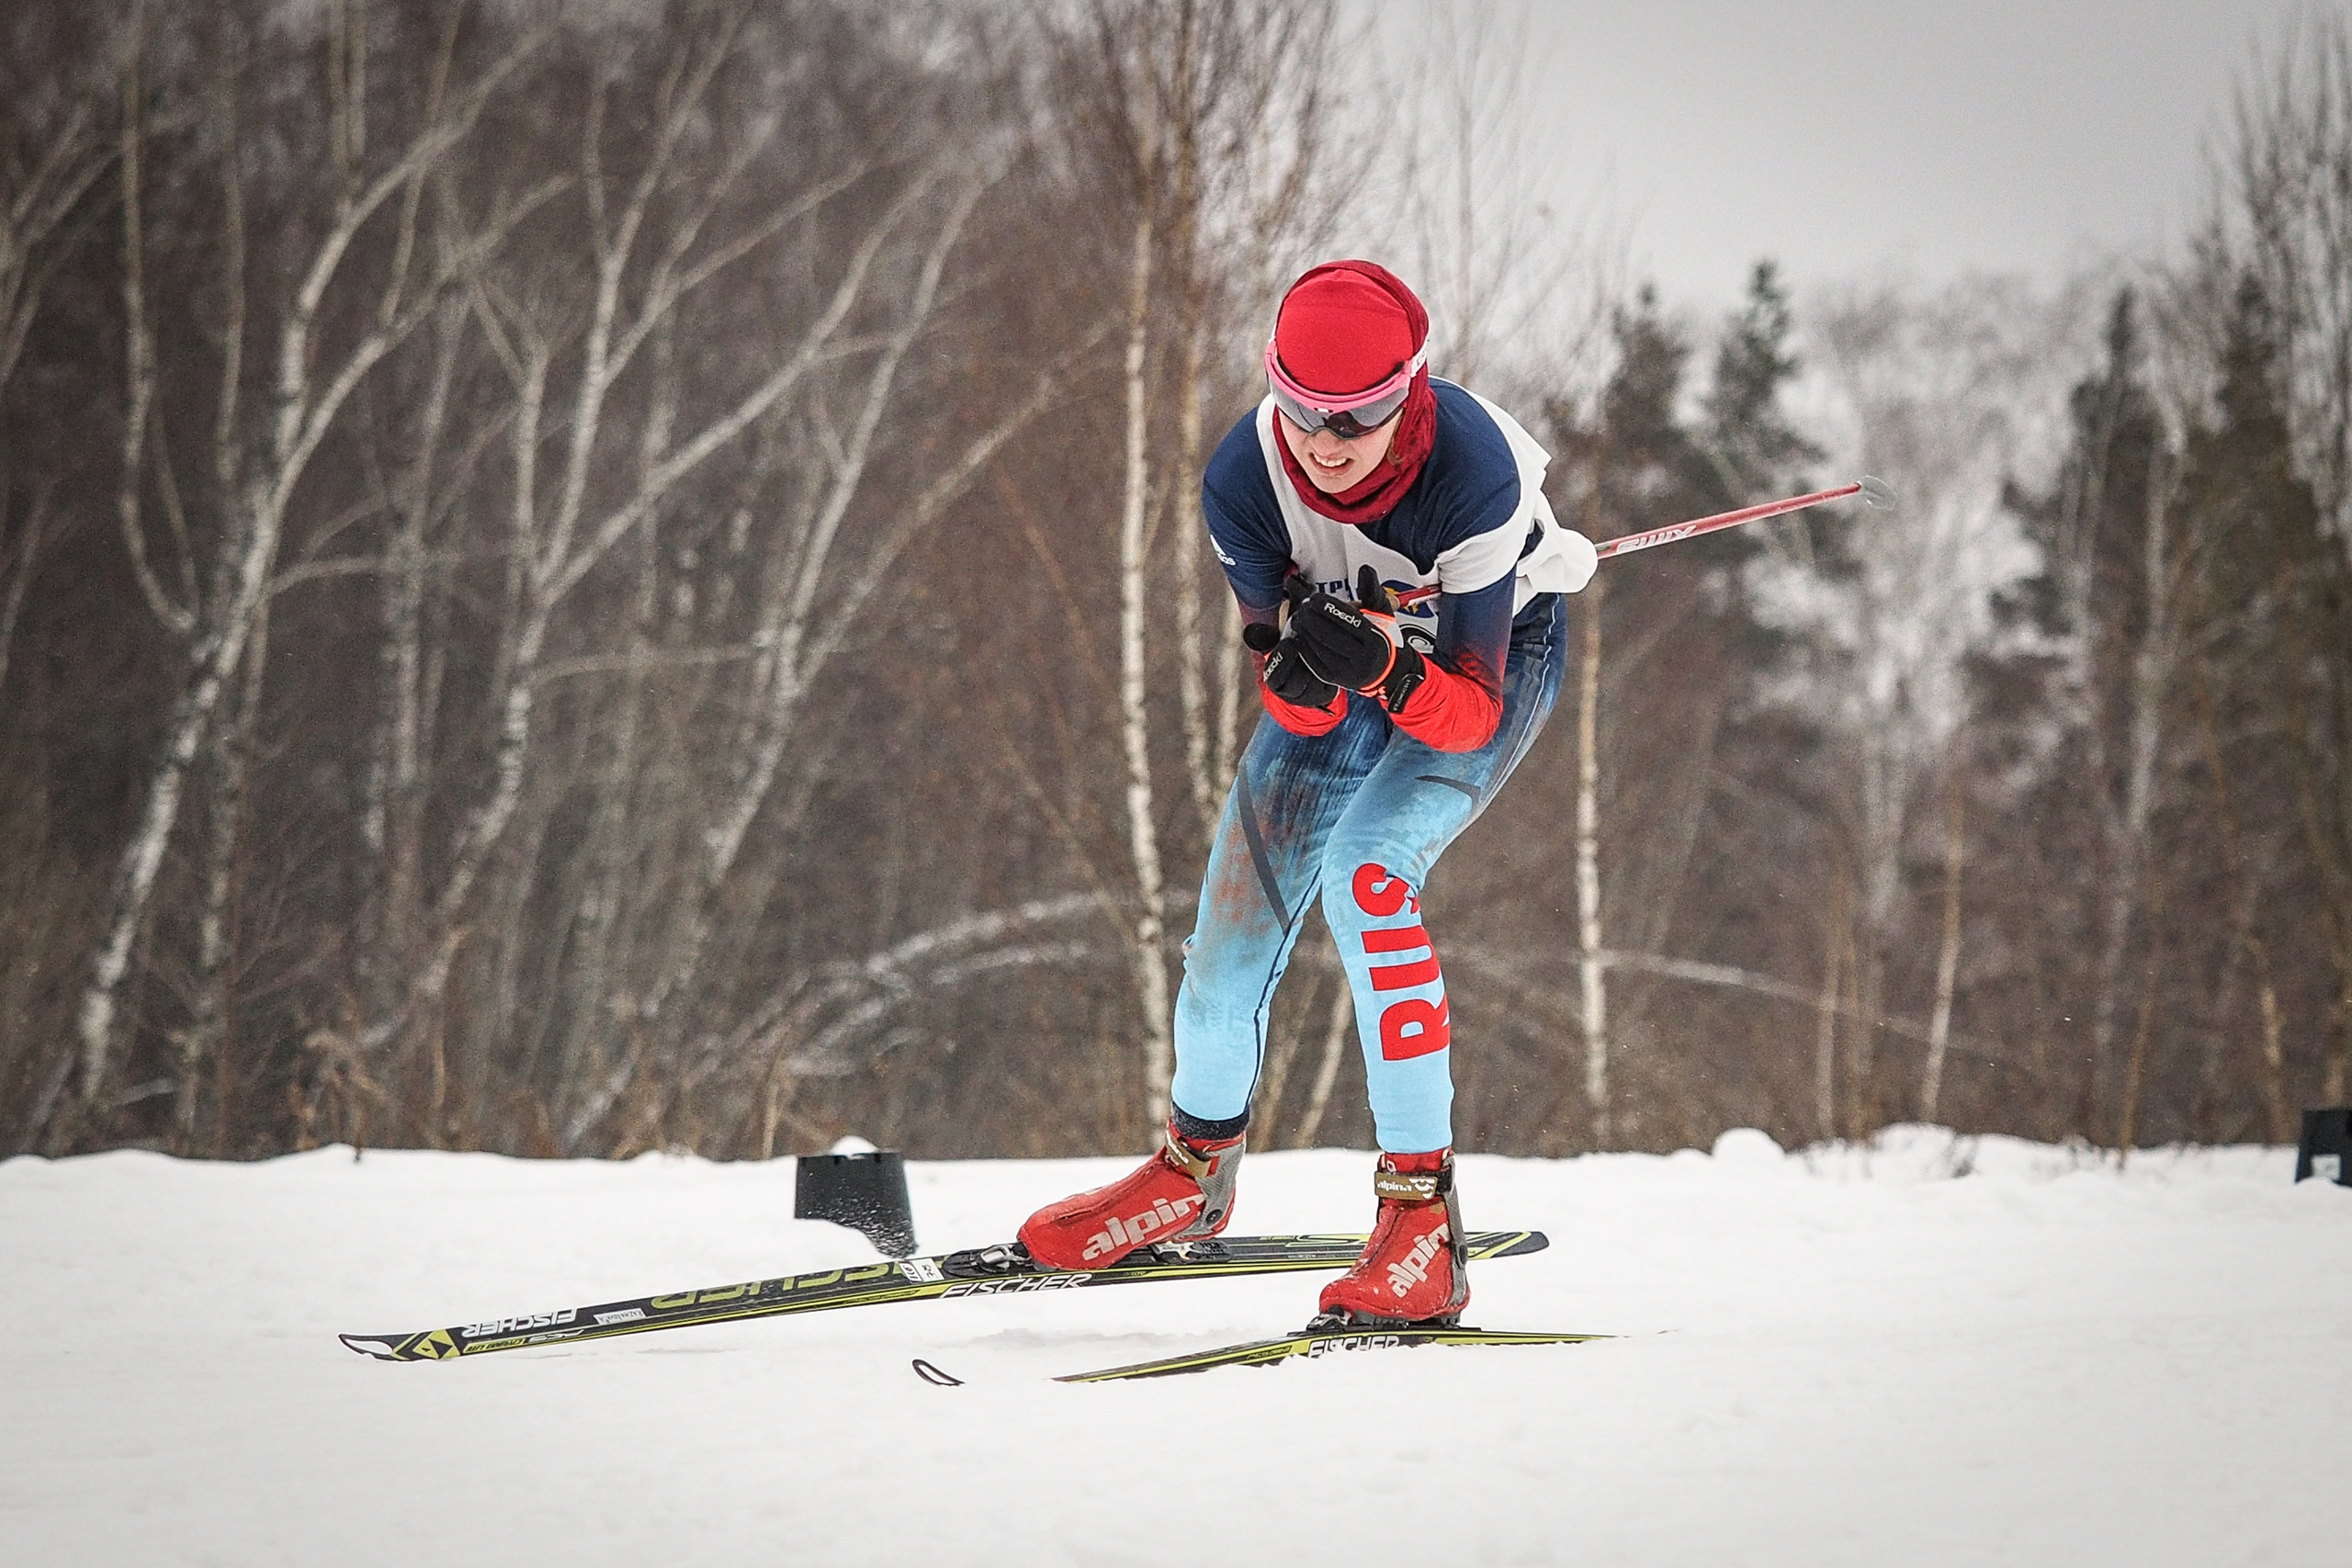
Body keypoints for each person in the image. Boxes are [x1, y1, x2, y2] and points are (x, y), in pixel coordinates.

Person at [1019, 261, 1597, 1325]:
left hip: (1485, 663)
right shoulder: (1244, 479)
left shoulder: (1474, 474)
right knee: (1229, 929)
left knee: (1366, 877)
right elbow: (1285, 696)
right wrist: (1304, 677)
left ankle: (1423, 1222)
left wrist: (1382, 669)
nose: (1328, 443)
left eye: (1360, 416)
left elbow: (1467, 710)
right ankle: (1192, 1174)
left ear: (1408, 392)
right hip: (1353, 672)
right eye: (1301, 410)